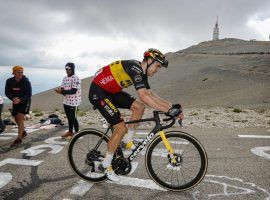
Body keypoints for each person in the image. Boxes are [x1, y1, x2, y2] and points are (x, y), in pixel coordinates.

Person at [89, 48, 184, 181]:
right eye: (157, 66)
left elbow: (150, 94)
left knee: (139, 107)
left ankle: (127, 140)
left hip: (111, 92)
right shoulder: (135, 68)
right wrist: (168, 111)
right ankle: (105, 165)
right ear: (149, 61)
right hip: (98, 92)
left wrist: (171, 106)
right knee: (121, 128)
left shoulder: (141, 72)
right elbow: (144, 96)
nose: (157, 70)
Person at [5, 66, 32, 147]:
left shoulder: (26, 82)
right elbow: (7, 92)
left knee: (20, 118)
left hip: (25, 101)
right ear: (13, 73)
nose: (20, 74)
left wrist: (20, 100)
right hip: (15, 101)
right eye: (18, 72)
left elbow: (29, 95)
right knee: (15, 117)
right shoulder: (9, 81)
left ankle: (19, 139)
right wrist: (12, 98)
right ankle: (23, 131)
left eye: (22, 72)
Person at [55, 62, 81, 140]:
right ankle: (70, 131)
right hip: (66, 101)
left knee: (73, 118)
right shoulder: (64, 78)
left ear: (72, 69)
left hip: (74, 102)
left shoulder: (76, 78)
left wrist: (61, 92)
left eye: (69, 69)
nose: (67, 70)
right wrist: (60, 90)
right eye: (66, 69)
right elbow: (63, 89)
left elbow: (73, 91)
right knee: (69, 118)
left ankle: (76, 132)